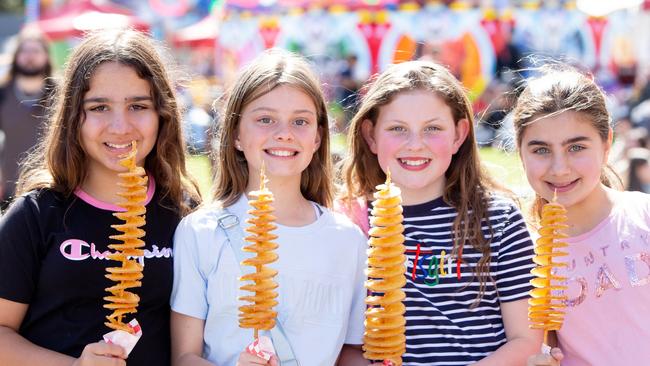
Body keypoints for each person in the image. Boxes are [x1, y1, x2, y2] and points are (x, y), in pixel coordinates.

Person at [0, 29, 201, 366]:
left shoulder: (185, 214)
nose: (120, 126)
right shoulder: (36, 215)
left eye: (138, 105)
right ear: (73, 117)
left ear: (162, 114)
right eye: (99, 107)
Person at [170, 49, 367, 366]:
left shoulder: (348, 240)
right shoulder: (201, 232)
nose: (284, 133)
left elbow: (351, 351)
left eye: (300, 121)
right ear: (235, 134)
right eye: (265, 119)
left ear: (317, 138)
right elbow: (184, 356)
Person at [338, 60, 541, 365]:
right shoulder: (348, 225)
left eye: (432, 128)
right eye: (397, 129)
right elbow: (345, 346)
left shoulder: (498, 220)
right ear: (370, 135)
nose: (415, 144)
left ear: (459, 134)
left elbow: (526, 339)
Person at [514, 66, 650, 366]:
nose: (560, 168)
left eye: (576, 147)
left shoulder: (643, 216)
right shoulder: (524, 254)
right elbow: (539, 344)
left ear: (606, 143)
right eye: (540, 150)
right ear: (520, 151)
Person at [0, 28, 55, 209]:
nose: (30, 56)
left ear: (46, 56)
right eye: (25, 51)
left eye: (36, 51)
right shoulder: (3, 93)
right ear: (15, 56)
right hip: (9, 191)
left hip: (52, 189)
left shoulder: (61, 94)